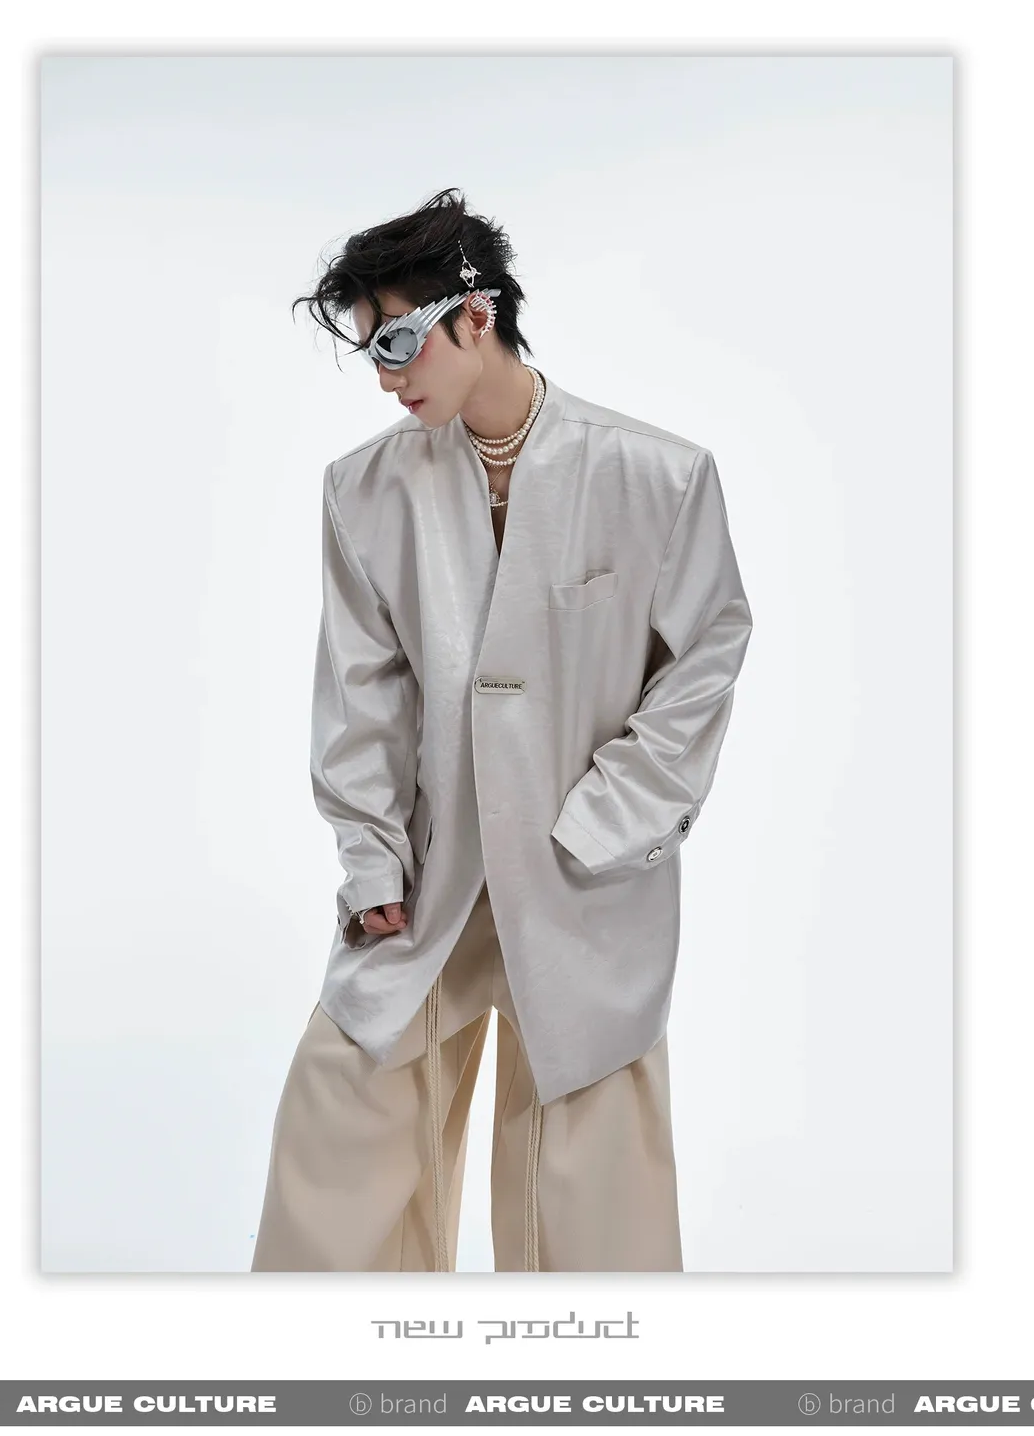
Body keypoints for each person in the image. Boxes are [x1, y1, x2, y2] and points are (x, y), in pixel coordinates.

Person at [251, 187, 753, 1272]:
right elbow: (362, 693)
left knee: (592, 1184)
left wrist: (608, 819)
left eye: (396, 341)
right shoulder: (363, 492)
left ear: (474, 314)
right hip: (430, 878)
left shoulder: (657, 477)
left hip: (582, 873)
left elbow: (707, 652)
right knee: (342, 1130)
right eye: (370, 351)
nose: (385, 375)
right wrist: (369, 855)